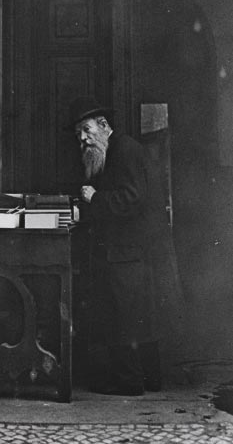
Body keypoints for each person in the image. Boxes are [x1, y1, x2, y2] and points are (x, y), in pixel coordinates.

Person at [69, 95, 174, 396]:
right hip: (129, 251)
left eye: (87, 130)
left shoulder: (124, 150)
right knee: (140, 318)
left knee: (124, 319)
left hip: (127, 252)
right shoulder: (115, 151)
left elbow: (130, 199)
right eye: (79, 135)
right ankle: (151, 380)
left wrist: (92, 198)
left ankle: (129, 383)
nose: (84, 139)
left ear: (104, 125)